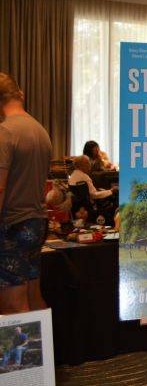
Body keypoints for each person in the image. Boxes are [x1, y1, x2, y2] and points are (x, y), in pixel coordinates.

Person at [0, 73, 52, 314]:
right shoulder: (40, 130)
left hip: (12, 224)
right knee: (34, 298)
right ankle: (46, 353)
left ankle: (26, 353)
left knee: (13, 305)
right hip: (36, 223)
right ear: (20, 95)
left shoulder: (6, 133)